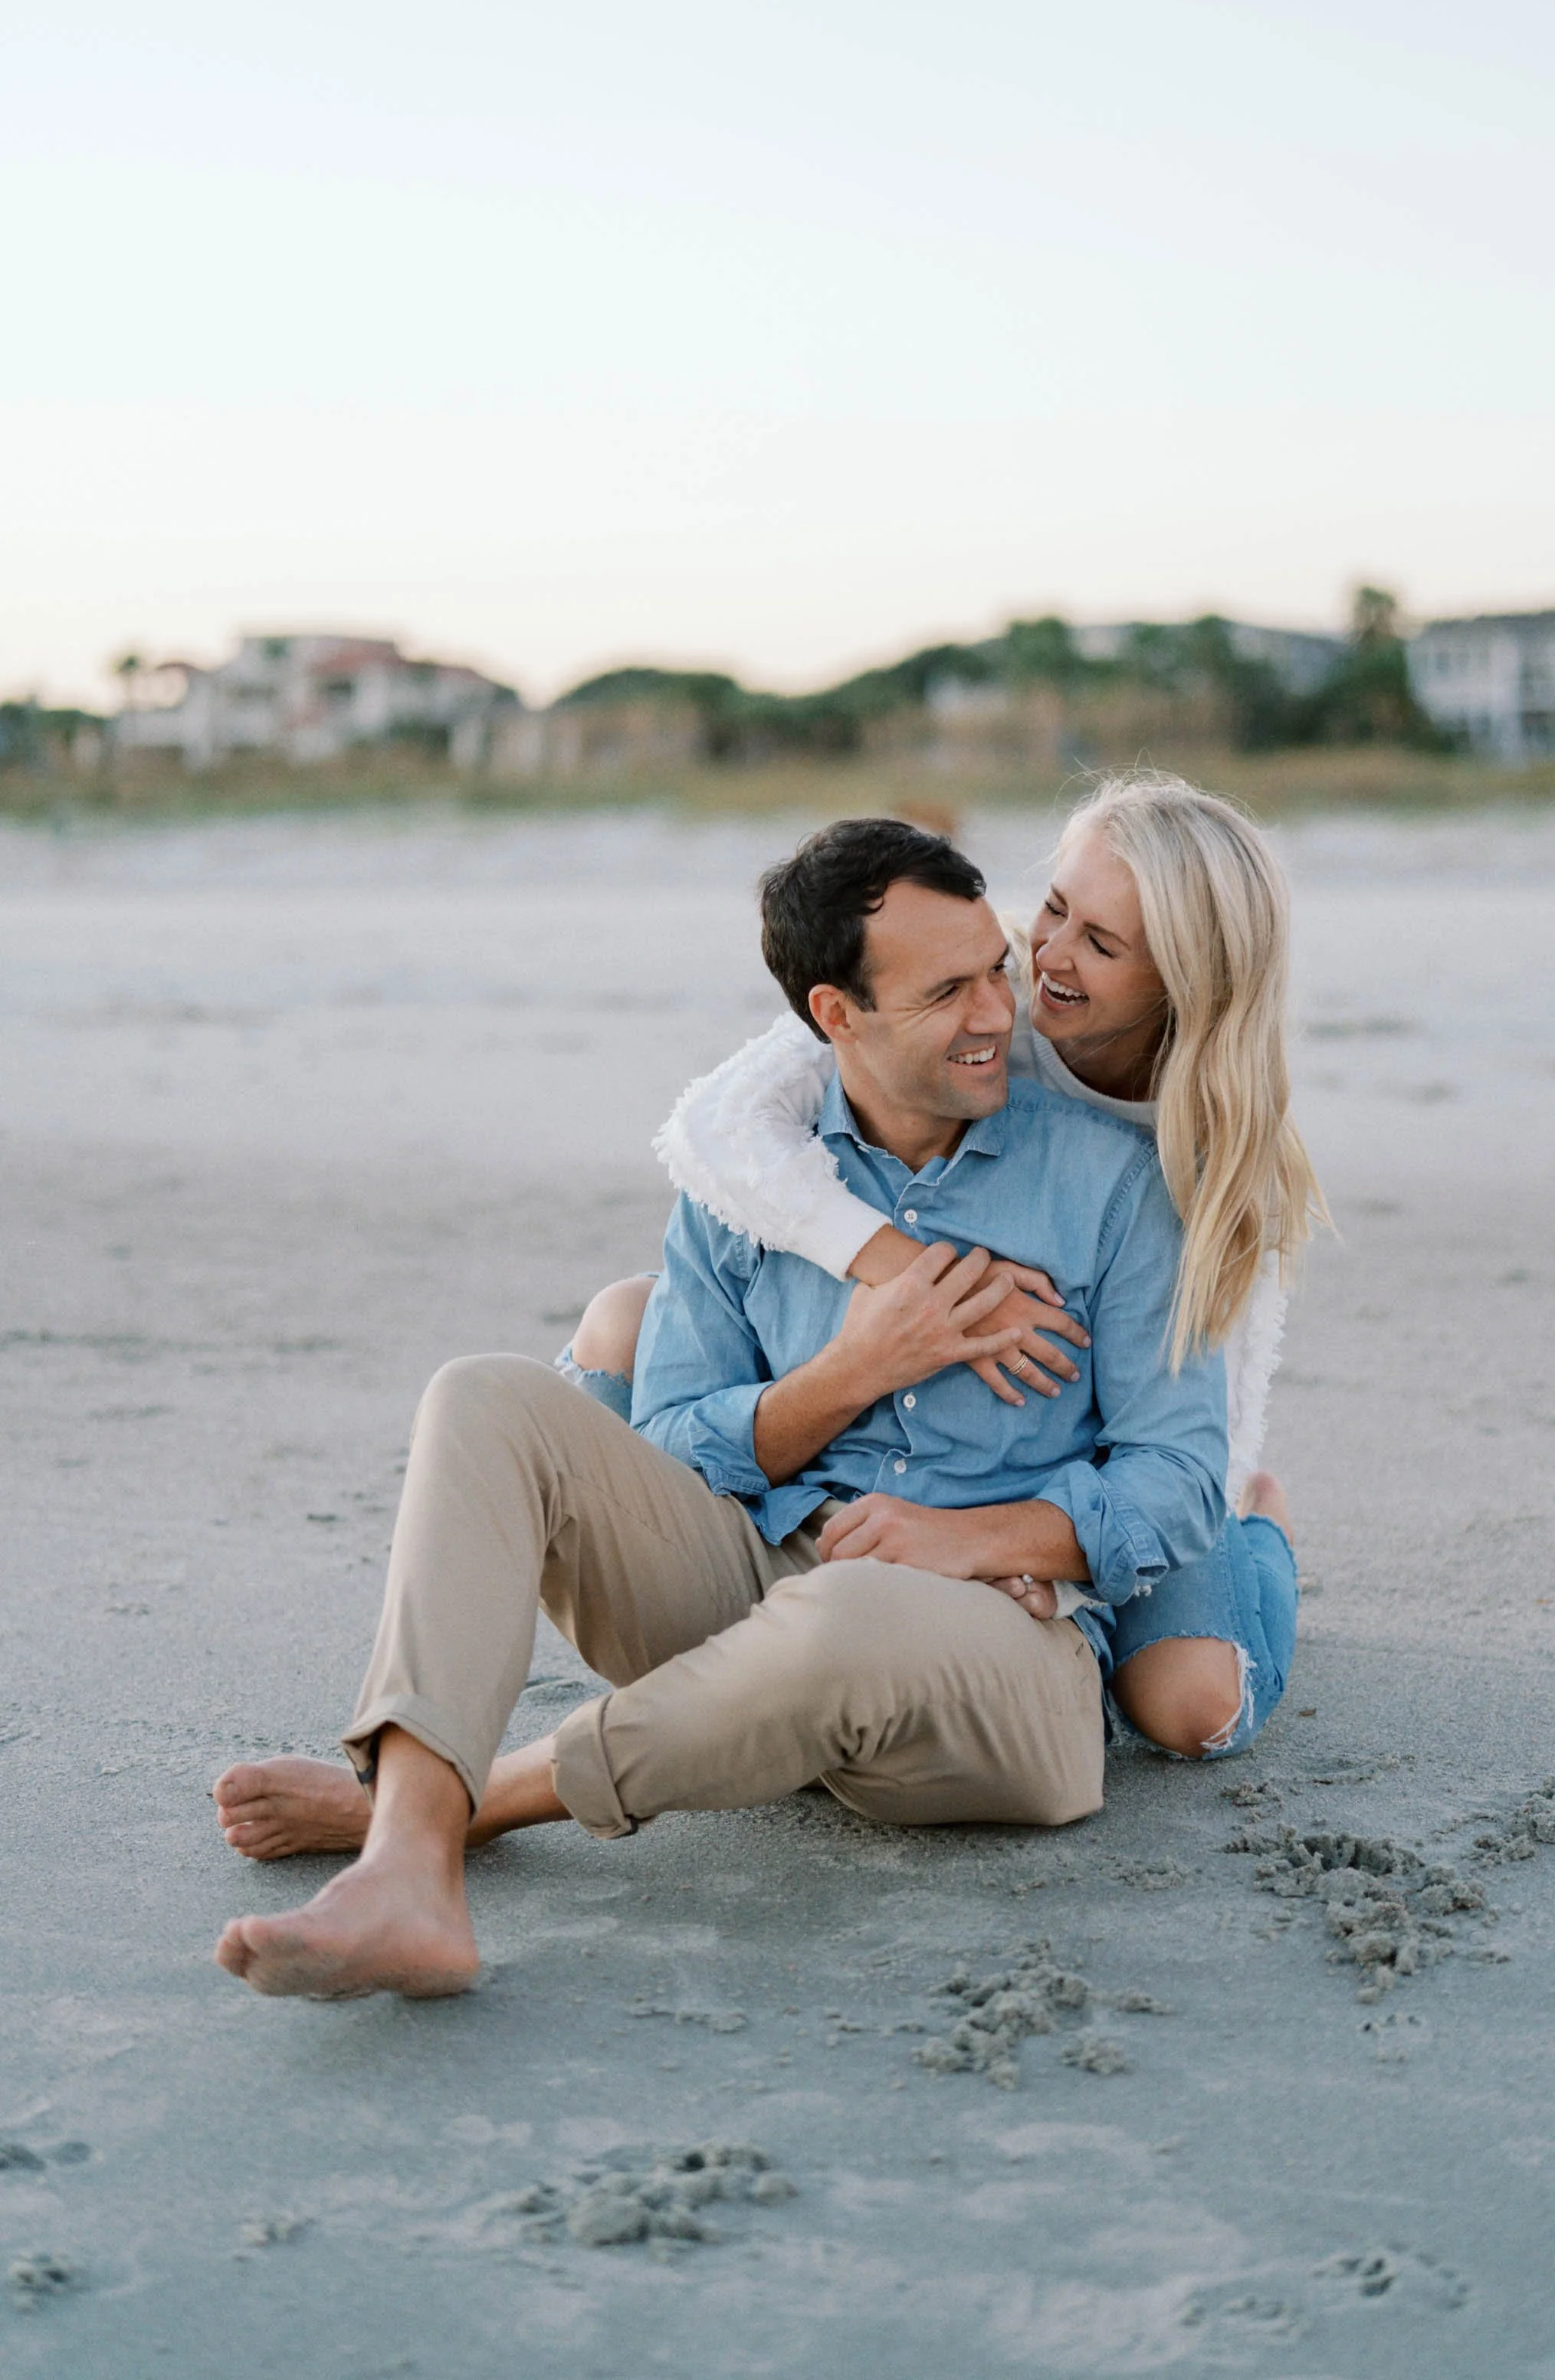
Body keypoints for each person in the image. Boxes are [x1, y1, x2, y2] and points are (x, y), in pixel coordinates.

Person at [212, 818, 1229, 1998]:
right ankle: (402, 1877)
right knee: (485, 1397)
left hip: (997, 1659)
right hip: (753, 1589)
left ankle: (456, 1811)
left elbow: (1181, 1479)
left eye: (994, 966)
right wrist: (852, 1371)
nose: (1000, 1014)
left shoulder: (1114, 1184)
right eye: (947, 990)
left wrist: (969, 1539)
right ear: (835, 1016)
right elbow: (673, 1444)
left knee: (849, 1613)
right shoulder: (748, 1185)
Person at [566, 773, 1324, 1762]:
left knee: (1191, 1711)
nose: (1045, 957)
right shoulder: (970, 984)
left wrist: (1028, 1556)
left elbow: (1181, 1443)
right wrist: (909, 1274)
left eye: (1101, 945)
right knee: (626, 1321)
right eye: (1054, 909)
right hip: (951, 1404)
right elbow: (716, 1129)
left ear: (1188, 979)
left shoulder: (1209, 1146)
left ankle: (1266, 1531)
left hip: (1129, 1437)